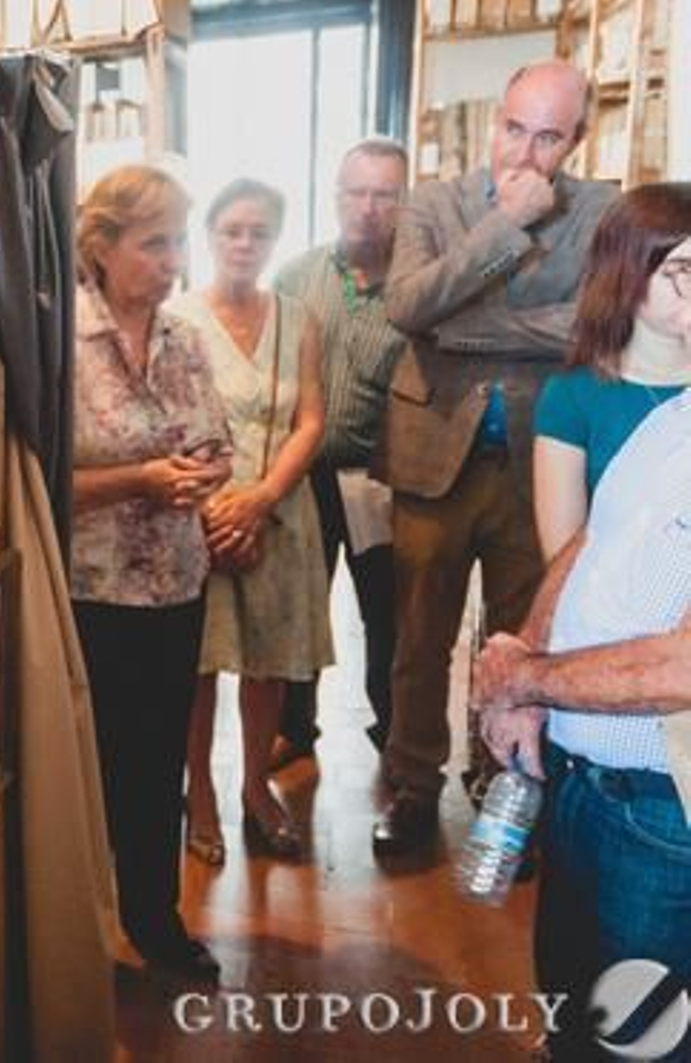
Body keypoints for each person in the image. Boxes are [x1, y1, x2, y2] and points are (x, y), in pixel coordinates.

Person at [371, 60, 617, 856]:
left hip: (541, 466)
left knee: (520, 641)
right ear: (494, 122)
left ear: (576, 139)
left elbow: (591, 329)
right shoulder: (433, 203)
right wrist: (503, 225)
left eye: (549, 136)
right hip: (433, 454)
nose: (527, 151)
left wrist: (460, 322)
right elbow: (408, 306)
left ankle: (500, 782)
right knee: (419, 637)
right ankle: (411, 787)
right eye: (515, 128)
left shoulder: (604, 213)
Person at [472, 212, 691, 1055]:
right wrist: (529, 647)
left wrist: (528, 679)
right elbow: (591, 541)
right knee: (569, 1005)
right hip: (578, 777)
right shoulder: (671, 417)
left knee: (637, 1034)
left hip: (661, 813)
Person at [70, 165, 234, 982]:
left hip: (177, 582)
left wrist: (202, 476)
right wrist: (141, 480)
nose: (174, 262)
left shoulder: (185, 338)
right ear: (101, 246)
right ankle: (80, 932)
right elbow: (28, 485)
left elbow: (218, 444)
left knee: (158, 756)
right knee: (91, 764)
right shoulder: (57, 343)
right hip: (88, 593)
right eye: (155, 243)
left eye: (178, 242)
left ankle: (154, 916)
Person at [170, 178, 331, 865]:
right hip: (197, 516)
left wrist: (261, 500)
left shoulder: (298, 318)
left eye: (258, 232)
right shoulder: (175, 318)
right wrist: (215, 510)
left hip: (280, 512)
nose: (244, 243)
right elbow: (165, 427)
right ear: (208, 235)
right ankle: (198, 788)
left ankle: (255, 785)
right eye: (231, 229)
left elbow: (312, 418)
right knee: (199, 665)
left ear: (275, 240)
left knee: (268, 662)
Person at [274, 138, 410, 765]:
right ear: (335, 197)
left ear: (404, 204)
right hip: (301, 475)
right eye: (357, 192)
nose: (369, 207)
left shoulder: (419, 289)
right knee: (299, 607)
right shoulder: (298, 278)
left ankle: (392, 732)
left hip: (380, 481)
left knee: (386, 611)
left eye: (385, 194)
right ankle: (292, 731)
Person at [533, 184, 691, 560]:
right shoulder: (573, 396)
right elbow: (563, 558)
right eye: (681, 270)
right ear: (628, 273)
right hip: (615, 608)